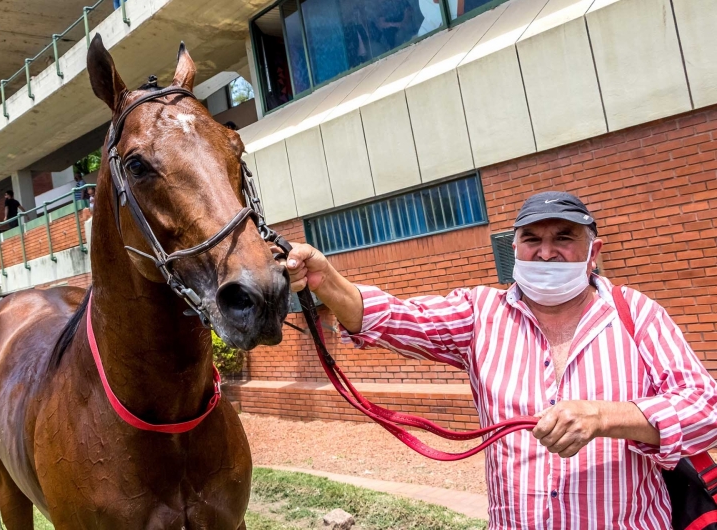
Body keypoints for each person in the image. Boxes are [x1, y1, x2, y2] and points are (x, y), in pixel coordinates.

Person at [285, 191, 717, 529]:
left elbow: (705, 406)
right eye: (533, 239)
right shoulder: (480, 313)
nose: (546, 252)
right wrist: (327, 281)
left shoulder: (636, 313)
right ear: (516, 247)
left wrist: (606, 417)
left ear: (594, 250)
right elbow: (398, 318)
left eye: (564, 238)